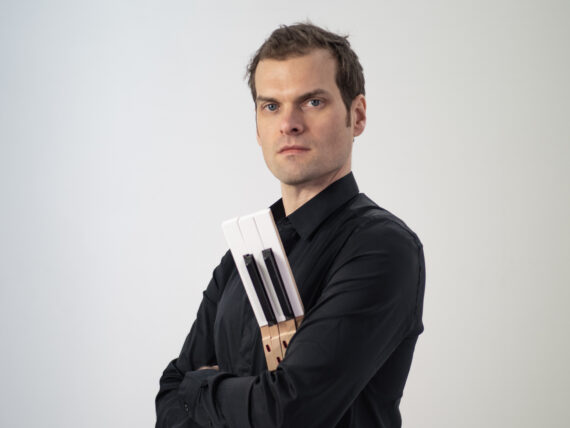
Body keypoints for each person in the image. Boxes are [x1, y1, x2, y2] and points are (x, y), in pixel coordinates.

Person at [155, 22, 425, 428]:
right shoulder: (242, 254)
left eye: (313, 102)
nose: (289, 123)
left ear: (358, 115)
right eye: (271, 106)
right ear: (258, 125)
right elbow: (168, 400)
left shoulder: (382, 248)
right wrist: (213, 393)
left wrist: (199, 390)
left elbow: (289, 413)